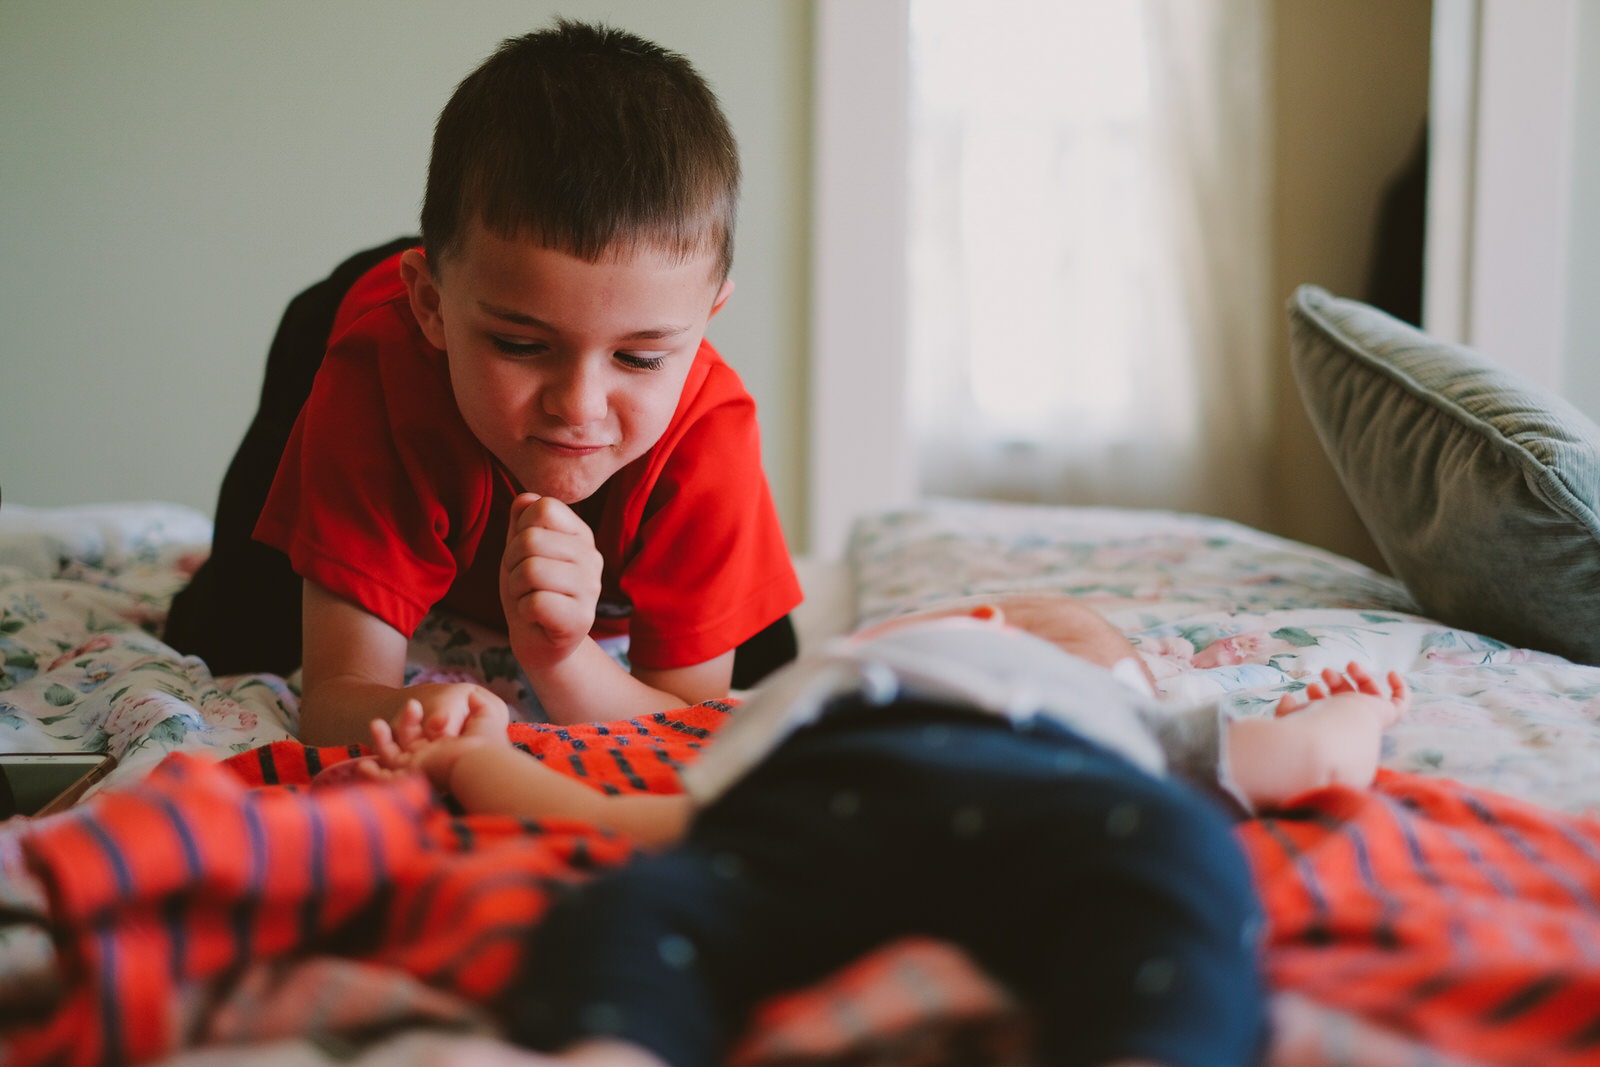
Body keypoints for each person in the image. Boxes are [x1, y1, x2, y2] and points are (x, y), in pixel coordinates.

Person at [362, 593, 1410, 1067]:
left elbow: (598, 814)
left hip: (830, 819)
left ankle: (612, 1042)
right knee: (1182, 869)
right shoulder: (1131, 722)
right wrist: (1361, 707)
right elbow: (1317, 760)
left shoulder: (824, 688)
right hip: (1070, 821)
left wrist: (474, 758)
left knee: (652, 903)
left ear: (977, 625)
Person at [166, 21, 802, 745]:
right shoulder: (377, 371)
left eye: (641, 358)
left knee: (769, 652)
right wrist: (411, 715)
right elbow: (335, 700)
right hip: (358, 329)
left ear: (707, 320)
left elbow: (686, 722)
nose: (579, 406)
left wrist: (560, 657)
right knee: (232, 633)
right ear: (432, 305)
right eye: (521, 345)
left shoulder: (709, 426)